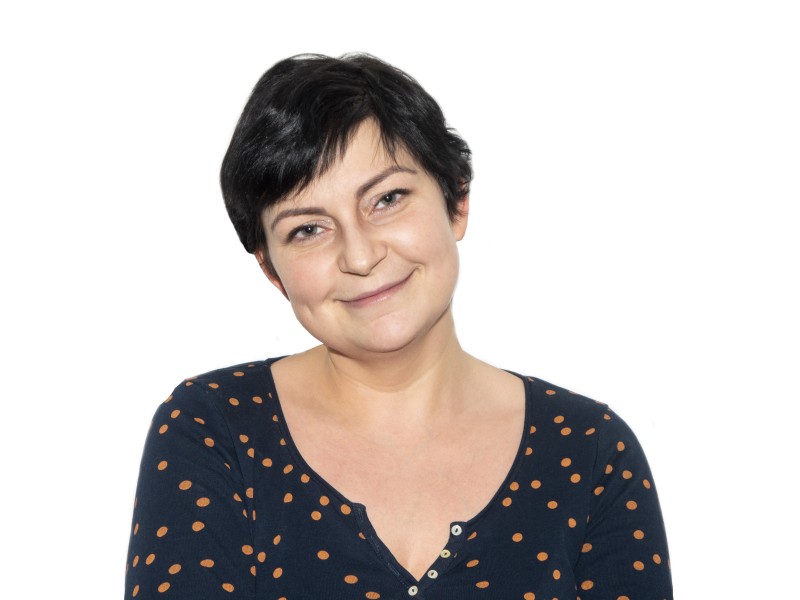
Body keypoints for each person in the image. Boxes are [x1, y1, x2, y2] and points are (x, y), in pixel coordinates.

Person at [125, 53, 672, 599]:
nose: (360, 256)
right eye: (308, 229)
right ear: (271, 270)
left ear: (457, 200)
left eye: (387, 200)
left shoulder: (589, 452)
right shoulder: (214, 430)